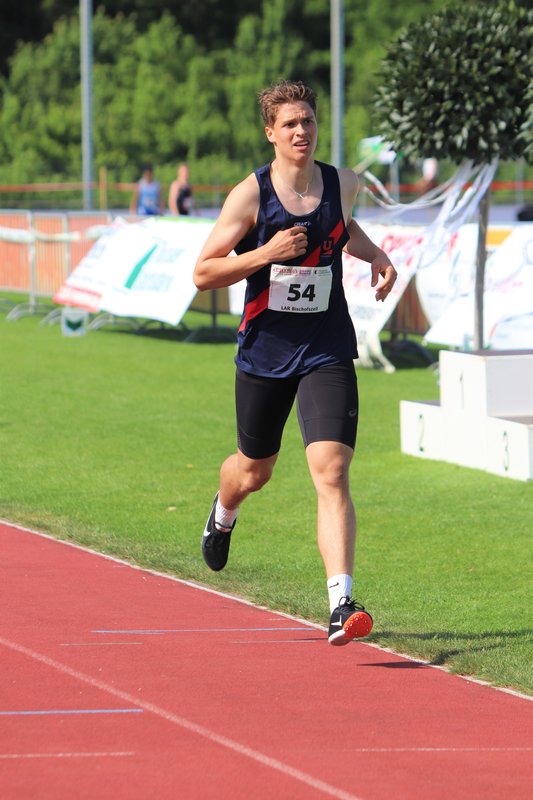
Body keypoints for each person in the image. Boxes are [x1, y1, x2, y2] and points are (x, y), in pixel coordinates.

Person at [193, 80, 397, 646]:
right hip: (266, 350)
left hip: (326, 345)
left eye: (307, 120)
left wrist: (376, 255)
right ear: (271, 133)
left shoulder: (343, 182)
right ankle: (224, 510)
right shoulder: (250, 195)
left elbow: (342, 227)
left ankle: (341, 603)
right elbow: (204, 271)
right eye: (289, 123)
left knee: (331, 470)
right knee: (253, 471)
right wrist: (266, 252)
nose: (301, 130)